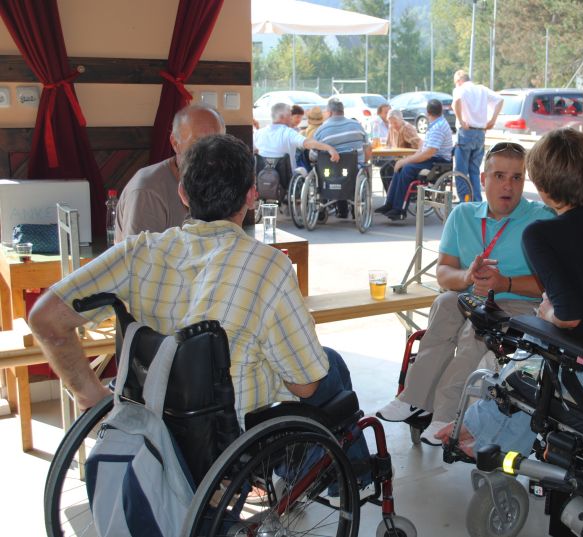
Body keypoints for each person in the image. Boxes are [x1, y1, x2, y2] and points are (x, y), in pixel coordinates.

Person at [28, 134, 370, 476]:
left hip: (155, 423)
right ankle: (348, 477)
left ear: (183, 194)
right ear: (251, 196)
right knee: (329, 367)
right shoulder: (268, 265)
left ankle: (340, 475)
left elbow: (45, 318)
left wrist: (90, 394)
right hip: (234, 442)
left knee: (321, 364)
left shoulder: (135, 252)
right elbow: (305, 386)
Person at [435, 128, 583, 456]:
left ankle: (477, 431)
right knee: (542, 355)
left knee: (528, 359)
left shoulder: (541, 233)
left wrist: (547, 312)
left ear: (541, 188)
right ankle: (487, 437)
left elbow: (568, 317)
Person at [376, 142, 555, 445]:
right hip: (471, 296)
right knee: (444, 304)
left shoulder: (541, 218)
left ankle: (446, 414)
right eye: (499, 176)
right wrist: (467, 276)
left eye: (516, 177)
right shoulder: (463, 215)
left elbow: (552, 285)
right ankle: (414, 398)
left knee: (475, 330)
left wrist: (505, 283)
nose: (508, 185)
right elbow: (443, 273)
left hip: (518, 303)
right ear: (483, 178)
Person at [114, 103, 224, 241]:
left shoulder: (223, 182)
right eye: (198, 143)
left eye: (216, 142)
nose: (210, 153)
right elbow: (139, 253)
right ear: (175, 143)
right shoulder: (147, 191)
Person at [375, 99, 453, 221]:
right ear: (441, 111)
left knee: (406, 168)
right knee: (399, 167)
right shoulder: (436, 124)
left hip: (438, 161)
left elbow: (429, 153)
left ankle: (399, 209)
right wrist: (409, 159)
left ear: (427, 112)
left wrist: (406, 160)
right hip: (433, 159)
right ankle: (390, 204)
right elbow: (424, 147)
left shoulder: (438, 127)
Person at [312, 98, 371, 218]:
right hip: (354, 170)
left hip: (329, 173)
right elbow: (368, 148)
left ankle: (338, 209)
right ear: (343, 111)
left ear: (329, 112)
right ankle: (354, 208)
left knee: (324, 169)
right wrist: (364, 162)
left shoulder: (321, 130)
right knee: (354, 169)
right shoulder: (357, 126)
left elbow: (313, 156)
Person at [452, 69, 504, 202]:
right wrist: (492, 120)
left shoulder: (460, 89)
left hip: (466, 132)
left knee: (461, 172)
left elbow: (456, 102)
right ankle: (476, 201)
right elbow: (500, 100)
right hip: (480, 133)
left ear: (459, 80)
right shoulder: (482, 89)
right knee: (474, 171)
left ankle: (465, 202)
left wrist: (461, 120)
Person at [254, 102, 339, 174]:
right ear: (283, 116)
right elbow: (307, 143)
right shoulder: (288, 133)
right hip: (286, 179)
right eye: (289, 115)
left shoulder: (258, 133)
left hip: (262, 177)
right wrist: (329, 148)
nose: (290, 118)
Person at [376, 110, 423, 192]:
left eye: (395, 123)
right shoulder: (391, 127)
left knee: (388, 171)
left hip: (408, 159)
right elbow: (388, 144)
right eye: (391, 123)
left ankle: (393, 195)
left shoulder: (407, 128)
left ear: (401, 119)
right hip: (398, 158)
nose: (393, 125)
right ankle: (390, 195)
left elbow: (419, 144)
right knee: (383, 170)